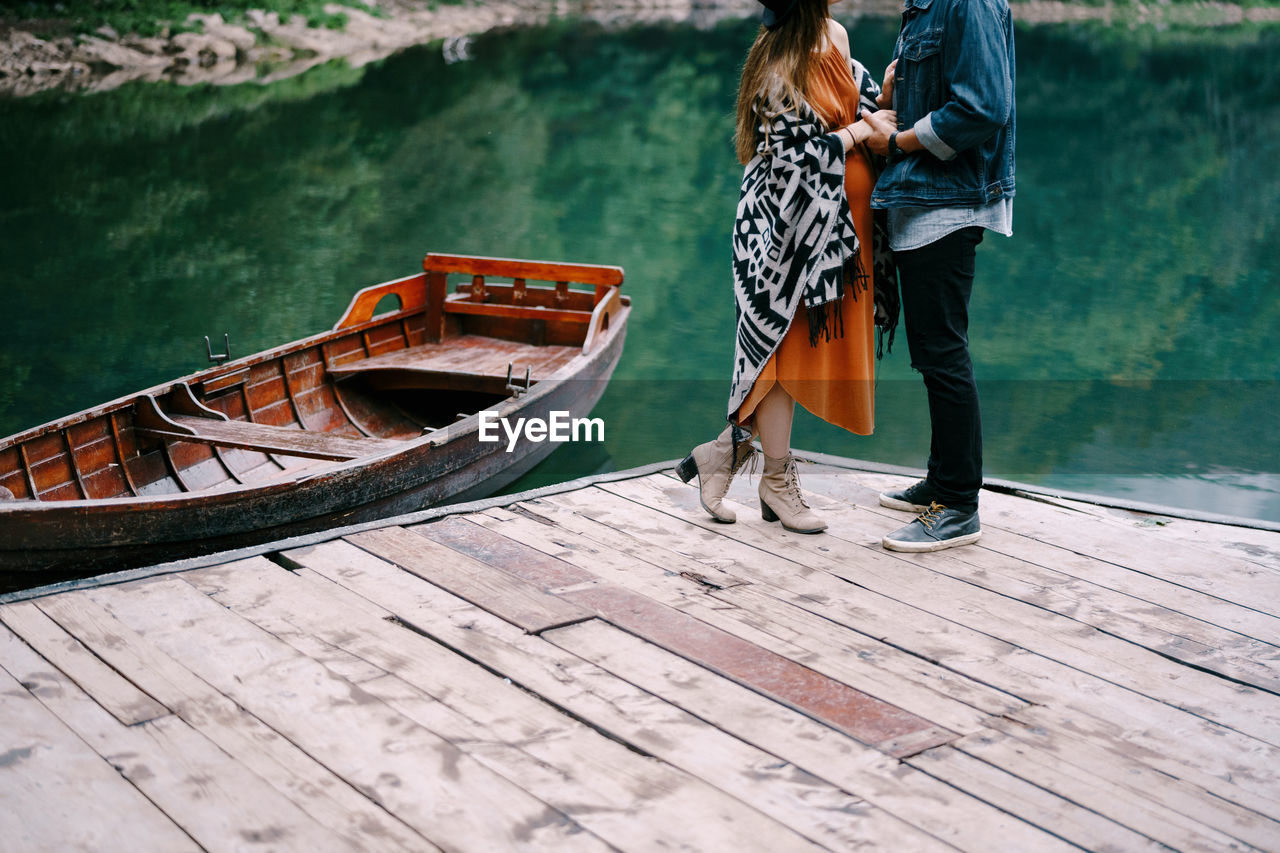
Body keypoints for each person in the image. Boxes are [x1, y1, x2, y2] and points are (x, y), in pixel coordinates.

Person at [677, 0, 896, 534]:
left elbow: (859, 106)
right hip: (782, 237)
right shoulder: (777, 61)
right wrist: (859, 135)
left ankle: (727, 457)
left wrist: (884, 99)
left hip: (833, 240)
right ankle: (773, 478)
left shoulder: (836, 35)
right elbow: (791, 159)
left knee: (788, 356)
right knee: (779, 355)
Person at [862, 0, 1016, 551]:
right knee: (932, 350)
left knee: (943, 350)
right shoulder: (922, 7)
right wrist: (888, 97)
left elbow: (982, 109)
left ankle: (957, 505)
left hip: (947, 201)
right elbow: (931, 97)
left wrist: (896, 143)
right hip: (921, 198)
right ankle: (942, 480)